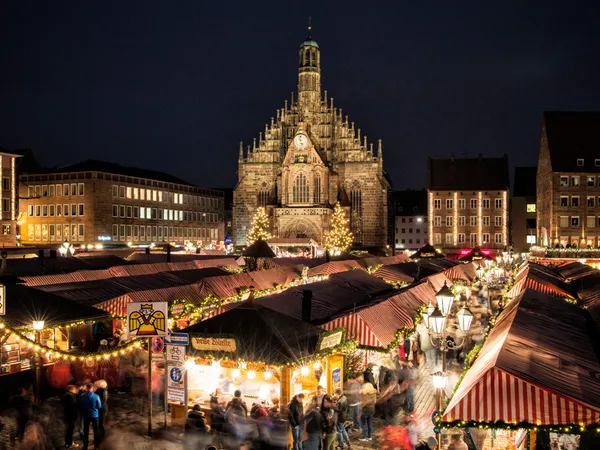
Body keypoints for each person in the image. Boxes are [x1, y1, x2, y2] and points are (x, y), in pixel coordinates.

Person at [78, 383, 102, 450]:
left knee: (86, 431)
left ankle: (85, 446)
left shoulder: (82, 396)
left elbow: (80, 405)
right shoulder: (96, 396)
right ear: (92, 388)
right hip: (95, 415)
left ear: (86, 388)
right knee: (96, 431)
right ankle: (96, 446)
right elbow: (99, 406)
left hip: (86, 415)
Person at [62, 384, 80, 448]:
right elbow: (74, 406)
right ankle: (70, 443)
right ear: (71, 389)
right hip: (72, 415)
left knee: (69, 429)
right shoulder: (71, 396)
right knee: (70, 430)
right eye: (74, 389)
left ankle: (67, 443)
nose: (75, 390)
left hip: (67, 414)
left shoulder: (64, 395)